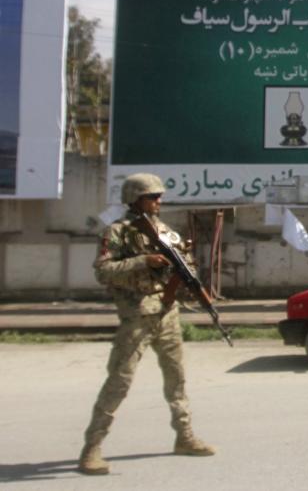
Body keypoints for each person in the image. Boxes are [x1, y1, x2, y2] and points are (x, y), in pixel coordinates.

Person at [78, 173, 215, 476]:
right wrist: (144, 261)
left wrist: (184, 269)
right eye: (152, 196)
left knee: (176, 379)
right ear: (135, 199)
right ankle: (92, 448)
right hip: (136, 316)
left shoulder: (164, 231)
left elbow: (186, 264)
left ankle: (185, 436)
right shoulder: (118, 232)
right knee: (119, 382)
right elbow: (104, 271)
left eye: (159, 196)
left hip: (166, 312)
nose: (158, 201)